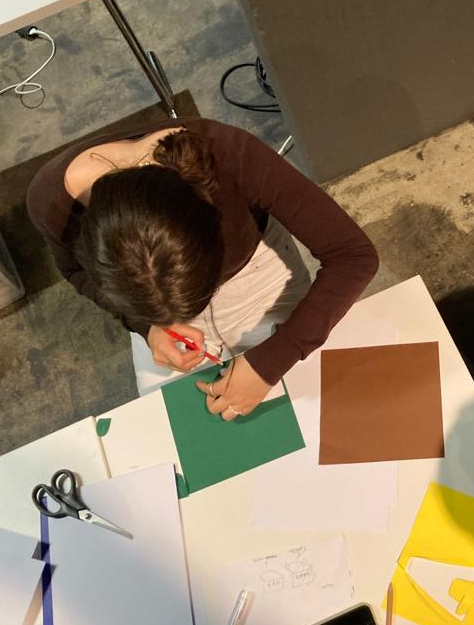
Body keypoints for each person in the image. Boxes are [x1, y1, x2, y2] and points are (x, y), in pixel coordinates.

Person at [27, 118, 378, 416]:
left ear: (213, 224)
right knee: (171, 422)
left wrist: (270, 361)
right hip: (152, 312)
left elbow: (353, 256)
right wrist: (148, 326)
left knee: (325, 395)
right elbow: (75, 273)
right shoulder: (51, 203)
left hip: (253, 274)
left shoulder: (230, 154)